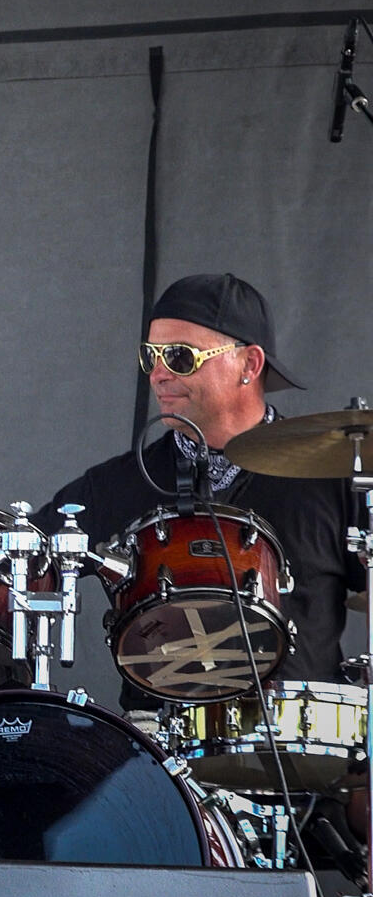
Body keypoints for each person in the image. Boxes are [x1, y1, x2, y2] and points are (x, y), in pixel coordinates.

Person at [34, 273, 362, 702]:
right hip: (157, 755)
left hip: (305, 753)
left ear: (250, 364)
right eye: (150, 356)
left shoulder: (331, 478)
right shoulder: (115, 485)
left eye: (180, 357)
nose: (158, 375)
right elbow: (16, 564)